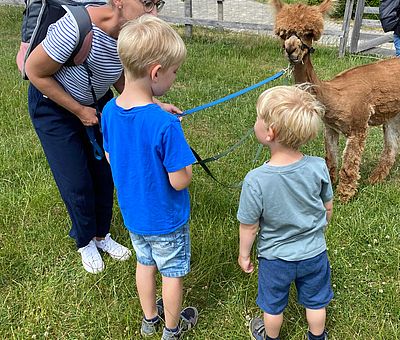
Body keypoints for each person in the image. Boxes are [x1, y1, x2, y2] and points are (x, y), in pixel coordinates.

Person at [24, 0, 179, 274]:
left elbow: (123, 81)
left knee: (106, 172)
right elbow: (34, 71)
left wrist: (154, 106)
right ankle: (84, 241)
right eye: (146, 3)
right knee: (77, 179)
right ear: (118, 1)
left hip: (95, 103)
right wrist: (79, 110)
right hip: (54, 107)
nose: (153, 12)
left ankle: (101, 235)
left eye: (157, 4)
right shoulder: (75, 28)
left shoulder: (128, 35)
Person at [101, 15, 198, 340]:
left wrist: (158, 111)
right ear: (156, 72)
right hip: (166, 220)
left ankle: (149, 320)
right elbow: (179, 181)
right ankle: (172, 330)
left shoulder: (109, 112)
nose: (174, 77)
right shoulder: (165, 126)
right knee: (171, 274)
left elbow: (114, 159)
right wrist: (188, 165)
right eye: (174, 72)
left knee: (145, 264)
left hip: (134, 217)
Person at [237, 85, 334, 340]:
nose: (255, 121)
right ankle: (317, 336)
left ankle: (271, 337)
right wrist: (320, 227)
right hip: (314, 252)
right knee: (316, 303)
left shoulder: (256, 180)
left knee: (273, 305)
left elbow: (249, 225)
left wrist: (244, 254)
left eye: (259, 117)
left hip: (275, 258)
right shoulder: (318, 166)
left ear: (270, 132)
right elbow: (328, 206)